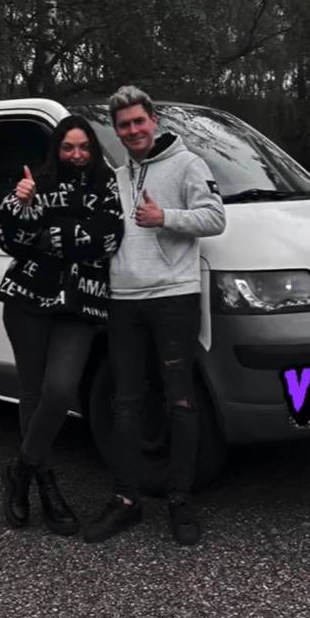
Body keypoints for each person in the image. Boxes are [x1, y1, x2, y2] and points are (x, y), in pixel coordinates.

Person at [83, 85, 226, 546]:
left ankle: (180, 500)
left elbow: (215, 218)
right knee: (125, 402)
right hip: (123, 299)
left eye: (138, 121)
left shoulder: (187, 164)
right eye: (123, 125)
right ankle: (126, 500)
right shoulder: (116, 177)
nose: (132, 130)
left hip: (173, 297)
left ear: (153, 121)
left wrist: (165, 217)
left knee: (179, 400)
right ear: (117, 131)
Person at [0, 115, 123, 536]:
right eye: (68, 147)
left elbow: (109, 238)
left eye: (83, 146)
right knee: (32, 394)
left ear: (93, 148)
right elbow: (8, 240)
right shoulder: (37, 182)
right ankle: (47, 485)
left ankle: (20, 471)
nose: (76, 154)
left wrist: (48, 236)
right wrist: (22, 206)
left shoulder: (108, 185)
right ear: (57, 149)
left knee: (60, 391)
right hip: (27, 300)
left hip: (81, 305)